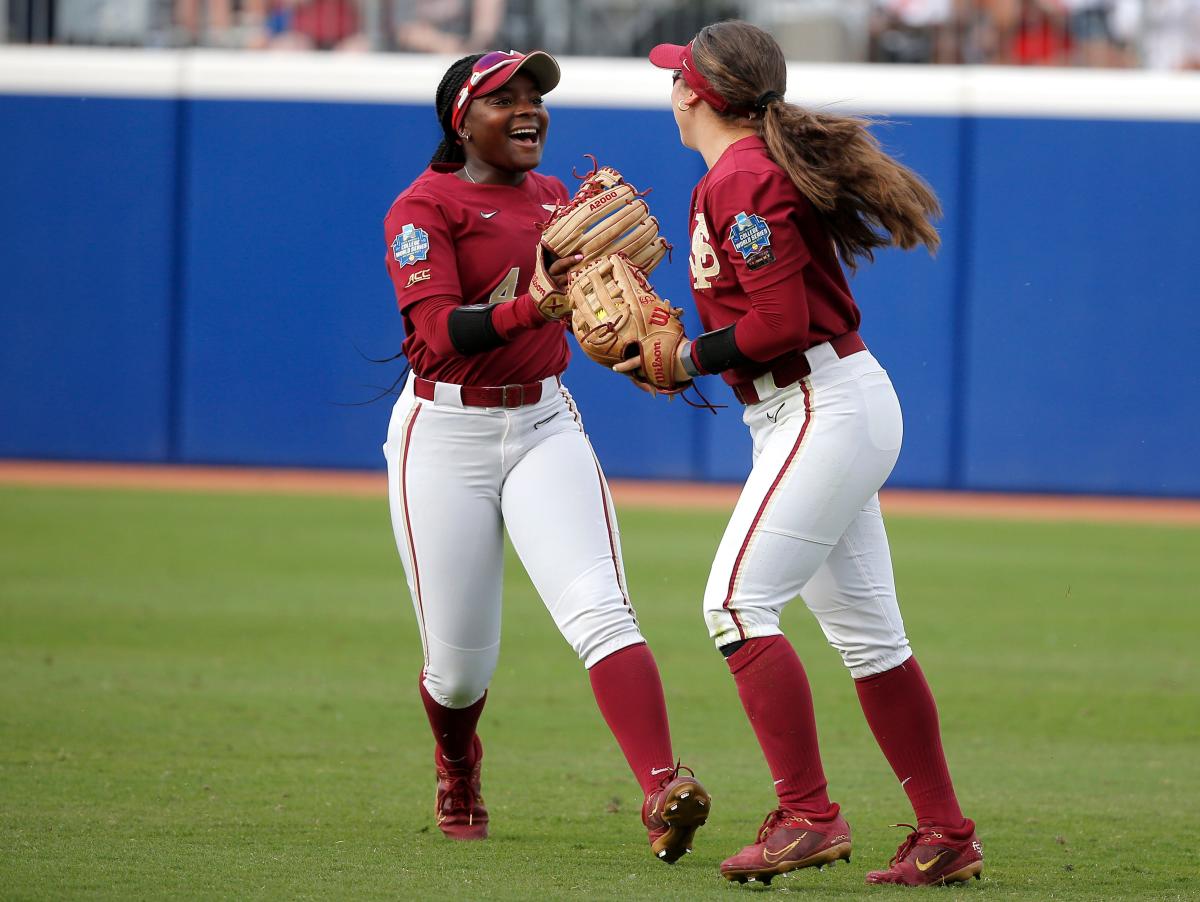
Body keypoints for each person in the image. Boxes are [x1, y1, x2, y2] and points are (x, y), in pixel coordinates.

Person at [636, 21, 984, 887]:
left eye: (678, 76)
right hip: (817, 404)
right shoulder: (742, 172)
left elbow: (780, 324)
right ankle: (944, 832)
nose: (670, 87)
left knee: (734, 606)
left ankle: (808, 816)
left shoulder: (743, 176)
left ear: (698, 95)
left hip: (820, 403)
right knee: (871, 642)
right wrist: (691, 348)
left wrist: (685, 357)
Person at [380, 49, 709, 860]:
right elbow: (438, 332)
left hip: (542, 426)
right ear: (462, 118)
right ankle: (458, 762)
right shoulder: (422, 209)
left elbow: (592, 315)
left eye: (535, 97)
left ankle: (663, 787)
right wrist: (533, 303)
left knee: (602, 610)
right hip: (443, 435)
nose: (528, 110)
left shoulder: (561, 201)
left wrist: (637, 342)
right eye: (505, 100)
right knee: (457, 673)